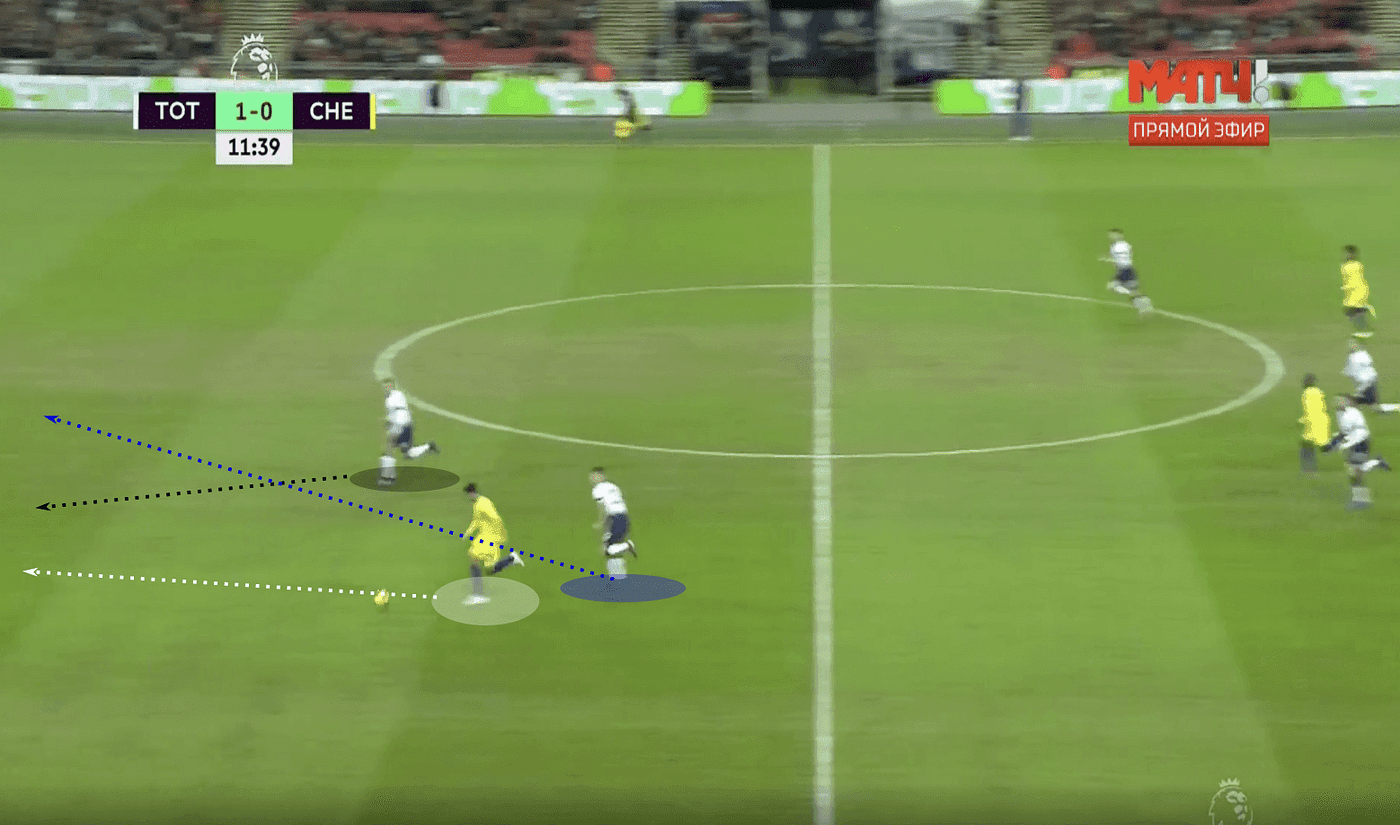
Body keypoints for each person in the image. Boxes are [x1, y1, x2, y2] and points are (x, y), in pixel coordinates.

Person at [1322, 396, 1392, 510]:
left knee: (1355, 472)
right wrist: (1332, 444)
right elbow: (1343, 433)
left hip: (1360, 442)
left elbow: (1345, 433)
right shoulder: (1345, 412)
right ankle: (1376, 464)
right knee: (1356, 470)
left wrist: (1332, 446)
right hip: (1358, 441)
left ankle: (1361, 501)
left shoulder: (1348, 415)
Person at [462, 483, 523, 604]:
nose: (469, 497)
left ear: (472, 493)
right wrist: (468, 532)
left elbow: (495, 518)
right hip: (485, 536)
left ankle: (478, 595)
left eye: (469, 494)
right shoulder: (477, 504)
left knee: (476, 560)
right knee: (486, 567)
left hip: (491, 537)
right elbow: (476, 520)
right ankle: (510, 559)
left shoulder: (483, 503)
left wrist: (499, 536)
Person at [379, 379, 438, 486]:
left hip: (400, 422)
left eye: (388, 386)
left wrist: (390, 423)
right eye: (385, 386)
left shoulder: (394, 396)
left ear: (392, 386)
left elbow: (395, 410)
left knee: (389, 447)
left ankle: (387, 478)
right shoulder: (395, 396)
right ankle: (428, 446)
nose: (386, 388)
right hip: (405, 422)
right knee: (408, 453)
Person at [590, 467, 636, 580]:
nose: (592, 478)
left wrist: (600, 522)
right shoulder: (614, 486)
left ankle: (628, 546)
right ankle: (618, 577)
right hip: (623, 517)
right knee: (609, 548)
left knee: (610, 549)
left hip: (615, 518)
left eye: (594, 476)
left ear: (601, 476)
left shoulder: (597, 489)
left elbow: (602, 508)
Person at [1101, 229, 1153, 316]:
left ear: (1120, 235)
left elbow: (1120, 258)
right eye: (1110, 235)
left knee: (1126, 289)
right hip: (1122, 270)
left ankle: (1144, 304)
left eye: (1113, 234)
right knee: (1114, 287)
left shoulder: (1121, 246)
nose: (1111, 236)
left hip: (1126, 270)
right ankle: (1143, 304)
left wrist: (1108, 259)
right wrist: (1108, 258)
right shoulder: (1116, 245)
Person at [1342, 339, 1400, 413]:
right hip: (1371, 379)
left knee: (1373, 406)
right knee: (1371, 404)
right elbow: (1369, 363)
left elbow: (1350, 372)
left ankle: (1396, 407)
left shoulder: (1352, 357)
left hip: (1366, 382)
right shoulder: (1363, 353)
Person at [1340, 245, 1373, 339]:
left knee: (1353, 310)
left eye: (1347, 253)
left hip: (1357, 291)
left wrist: (1347, 287)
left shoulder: (1352, 266)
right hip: (1354, 291)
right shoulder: (1353, 265)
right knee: (1352, 311)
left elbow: (1354, 280)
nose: (1345, 255)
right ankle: (1364, 329)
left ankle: (1364, 330)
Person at [1298, 373, 1329, 472]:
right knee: (1312, 444)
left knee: (1306, 445)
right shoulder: (1319, 392)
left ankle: (1309, 469)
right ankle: (1311, 468)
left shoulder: (1307, 393)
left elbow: (1310, 409)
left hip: (1313, 422)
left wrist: (1303, 420)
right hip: (1322, 421)